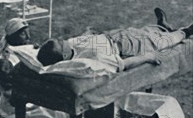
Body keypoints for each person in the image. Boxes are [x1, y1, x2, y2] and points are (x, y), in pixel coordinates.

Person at [37, 7, 193, 73]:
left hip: (114, 35)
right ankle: (186, 31)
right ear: (64, 56)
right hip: (125, 47)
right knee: (160, 42)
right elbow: (122, 65)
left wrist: (87, 34)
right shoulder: (89, 61)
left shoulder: (70, 47)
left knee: (143, 31)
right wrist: (148, 57)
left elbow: (79, 39)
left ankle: (163, 27)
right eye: (60, 43)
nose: (63, 40)